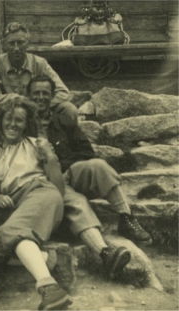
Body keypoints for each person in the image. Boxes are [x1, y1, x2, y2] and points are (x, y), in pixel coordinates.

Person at [26, 75, 153, 271]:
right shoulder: (21, 124)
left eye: (45, 93)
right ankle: (105, 253)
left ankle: (126, 216)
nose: (41, 97)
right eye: (36, 93)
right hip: (41, 182)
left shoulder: (63, 122)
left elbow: (86, 153)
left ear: (52, 97)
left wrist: (60, 162)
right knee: (77, 202)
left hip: (68, 174)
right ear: (28, 96)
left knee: (97, 165)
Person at [0, 98, 72, 310]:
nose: (13, 124)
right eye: (8, 119)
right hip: (18, 205)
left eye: (19, 120)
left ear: (26, 124)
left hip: (42, 193)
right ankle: (52, 261)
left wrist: (50, 156)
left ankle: (49, 288)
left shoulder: (35, 144)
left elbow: (58, 188)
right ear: (1, 120)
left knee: (13, 230)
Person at [0, 22, 78, 128]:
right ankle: (2, 143)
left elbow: (63, 92)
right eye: (11, 43)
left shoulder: (39, 63)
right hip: (9, 113)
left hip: (37, 112)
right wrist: (20, 100)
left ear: (28, 43)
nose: (16, 48)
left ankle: (64, 143)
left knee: (69, 109)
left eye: (20, 43)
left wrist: (40, 105)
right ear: (4, 45)